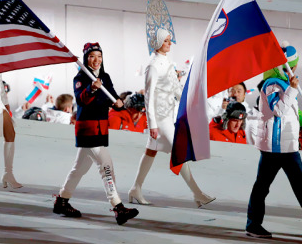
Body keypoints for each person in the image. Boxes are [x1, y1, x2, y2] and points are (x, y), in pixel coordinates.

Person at [53, 42, 139, 225]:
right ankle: (118, 207)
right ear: (86, 59)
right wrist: (92, 88)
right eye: (92, 56)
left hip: (101, 129)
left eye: (99, 56)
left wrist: (117, 102)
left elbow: (112, 96)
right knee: (106, 164)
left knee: (79, 169)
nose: (96, 60)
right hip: (87, 129)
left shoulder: (105, 77)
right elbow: (81, 100)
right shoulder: (81, 78)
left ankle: (62, 201)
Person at [128, 29, 215, 207]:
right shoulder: (152, 66)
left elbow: (176, 88)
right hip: (159, 119)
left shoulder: (167, 62)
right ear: (159, 42)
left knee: (150, 152)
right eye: (167, 41)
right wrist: (152, 124)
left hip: (168, 115)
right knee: (179, 152)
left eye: (169, 40)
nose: (170, 43)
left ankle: (135, 188)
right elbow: (149, 97)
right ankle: (197, 193)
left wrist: (188, 103)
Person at [246, 44, 302, 238]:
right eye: (293, 66)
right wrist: (293, 90)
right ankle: (253, 225)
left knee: (293, 187)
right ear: (285, 66)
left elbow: (291, 115)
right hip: (275, 147)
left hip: (286, 146)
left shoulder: (285, 85)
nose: (294, 70)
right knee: (264, 187)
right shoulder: (271, 84)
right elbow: (278, 110)